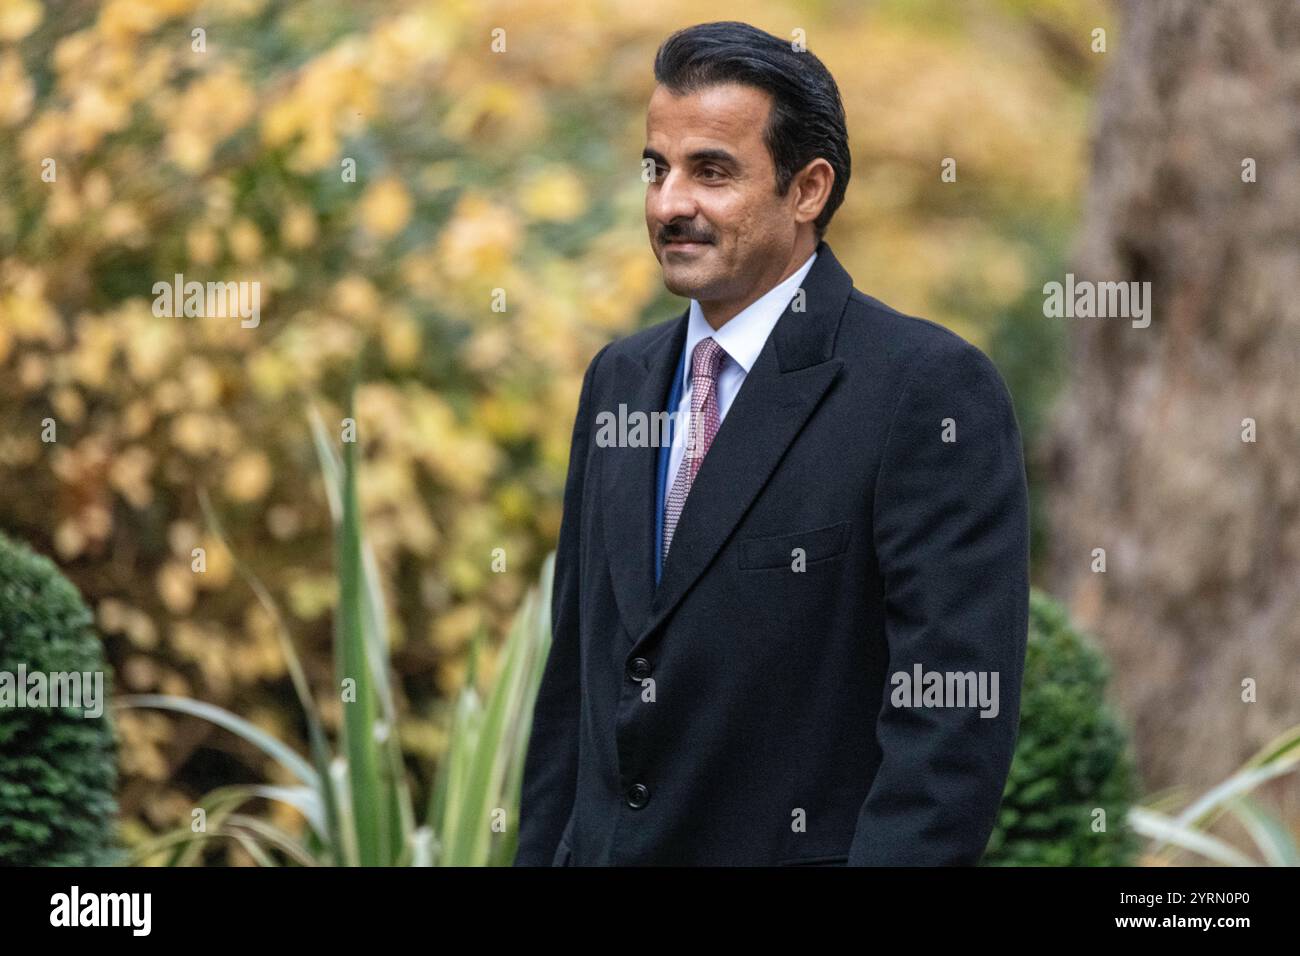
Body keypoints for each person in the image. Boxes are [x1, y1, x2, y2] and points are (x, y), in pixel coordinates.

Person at [514, 20, 1029, 866]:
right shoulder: (619, 379)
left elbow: (949, 733)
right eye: (657, 168)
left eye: (711, 171)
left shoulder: (926, 389)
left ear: (808, 188)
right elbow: (574, 691)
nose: (669, 202)